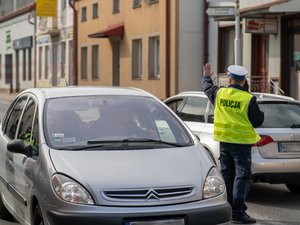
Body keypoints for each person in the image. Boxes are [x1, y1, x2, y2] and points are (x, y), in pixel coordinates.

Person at [201, 63, 264, 224]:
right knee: (242, 176)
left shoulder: (220, 93)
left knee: (228, 175)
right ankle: (237, 211)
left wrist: (206, 75)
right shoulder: (248, 98)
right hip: (241, 144)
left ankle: (228, 207)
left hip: (224, 142)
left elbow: (207, 87)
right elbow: (257, 121)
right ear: (244, 81)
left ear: (229, 78)